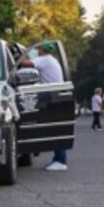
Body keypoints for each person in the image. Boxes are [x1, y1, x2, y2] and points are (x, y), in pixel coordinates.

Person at [20, 42, 68, 171]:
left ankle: (61, 160)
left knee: (55, 129)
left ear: (42, 50)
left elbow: (26, 64)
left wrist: (22, 56)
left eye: (38, 49)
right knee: (55, 128)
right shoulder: (51, 60)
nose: (37, 51)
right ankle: (58, 158)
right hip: (55, 95)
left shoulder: (44, 59)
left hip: (52, 97)